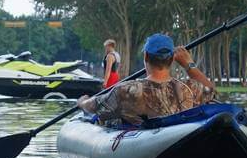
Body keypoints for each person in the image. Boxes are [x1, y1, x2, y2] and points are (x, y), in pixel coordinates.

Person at [77, 33, 216, 126]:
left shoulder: (126, 91)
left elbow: (93, 106)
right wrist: (189, 64)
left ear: (146, 57)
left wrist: (82, 102)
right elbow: (211, 91)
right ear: (173, 59)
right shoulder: (191, 88)